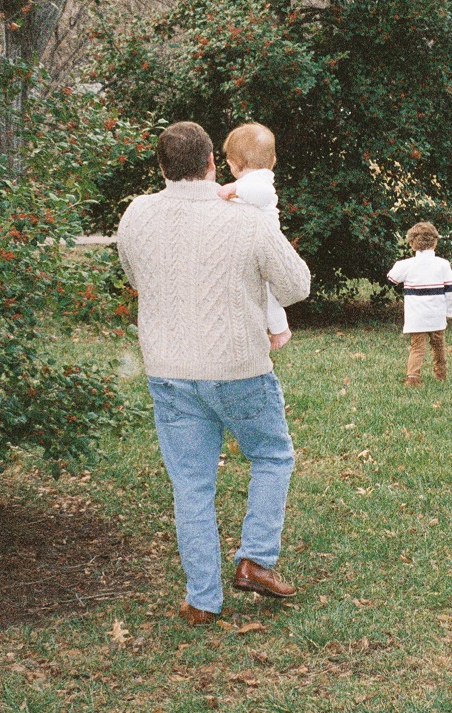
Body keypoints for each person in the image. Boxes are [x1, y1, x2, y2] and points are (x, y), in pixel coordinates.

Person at [116, 120, 313, 621]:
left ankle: (202, 600)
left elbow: (136, 275)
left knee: (191, 485)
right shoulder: (248, 219)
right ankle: (255, 559)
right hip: (240, 367)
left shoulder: (137, 214)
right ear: (210, 163)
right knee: (272, 456)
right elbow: (297, 287)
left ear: (162, 168)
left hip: (169, 369)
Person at [217, 122, 293, 350]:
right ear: (273, 160)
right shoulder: (246, 184)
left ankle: (281, 329)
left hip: (267, 247)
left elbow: (263, 194)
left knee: (268, 291)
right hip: (251, 248)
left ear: (231, 164)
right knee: (259, 291)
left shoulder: (259, 182)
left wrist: (236, 190)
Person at [385, 221, 452, 386]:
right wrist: (449, 311)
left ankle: (412, 377)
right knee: (439, 346)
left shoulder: (406, 265)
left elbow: (391, 278)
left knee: (417, 347)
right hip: (437, 315)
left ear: (412, 244)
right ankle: (441, 374)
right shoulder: (443, 264)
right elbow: (450, 291)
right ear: (435, 242)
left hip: (416, 316)